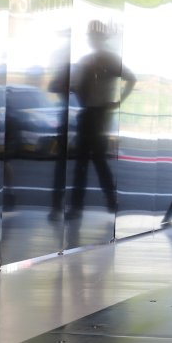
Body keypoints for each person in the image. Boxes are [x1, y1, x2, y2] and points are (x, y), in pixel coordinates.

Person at [65, 20, 137, 219]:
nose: (91, 40)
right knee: (93, 160)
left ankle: (85, 206)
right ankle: (105, 202)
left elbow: (131, 78)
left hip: (96, 113)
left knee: (91, 161)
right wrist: (117, 102)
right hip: (94, 113)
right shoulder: (95, 60)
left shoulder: (100, 60)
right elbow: (131, 78)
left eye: (92, 36)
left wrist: (118, 101)